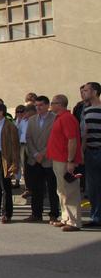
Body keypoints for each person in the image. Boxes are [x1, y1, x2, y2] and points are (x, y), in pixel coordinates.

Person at [47, 94, 83, 231]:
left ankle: (74, 222)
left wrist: (71, 161)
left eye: (53, 103)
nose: (51, 105)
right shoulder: (59, 118)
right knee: (61, 191)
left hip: (65, 160)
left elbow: (72, 140)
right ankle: (66, 217)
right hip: (58, 160)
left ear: (60, 104)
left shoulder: (67, 118)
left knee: (70, 191)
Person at [24, 96, 59, 223]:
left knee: (52, 189)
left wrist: (42, 153)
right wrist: (35, 153)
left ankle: (54, 214)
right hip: (34, 159)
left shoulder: (55, 118)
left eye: (41, 105)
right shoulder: (32, 119)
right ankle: (36, 213)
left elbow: (54, 139)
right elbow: (28, 138)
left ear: (47, 105)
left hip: (48, 158)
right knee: (36, 188)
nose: (38, 108)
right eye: (36, 105)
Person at [82, 82, 101, 228]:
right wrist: (82, 152)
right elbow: (84, 133)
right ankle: (96, 217)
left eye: (86, 90)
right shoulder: (86, 110)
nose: (84, 92)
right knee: (93, 187)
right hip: (90, 151)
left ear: (94, 92)